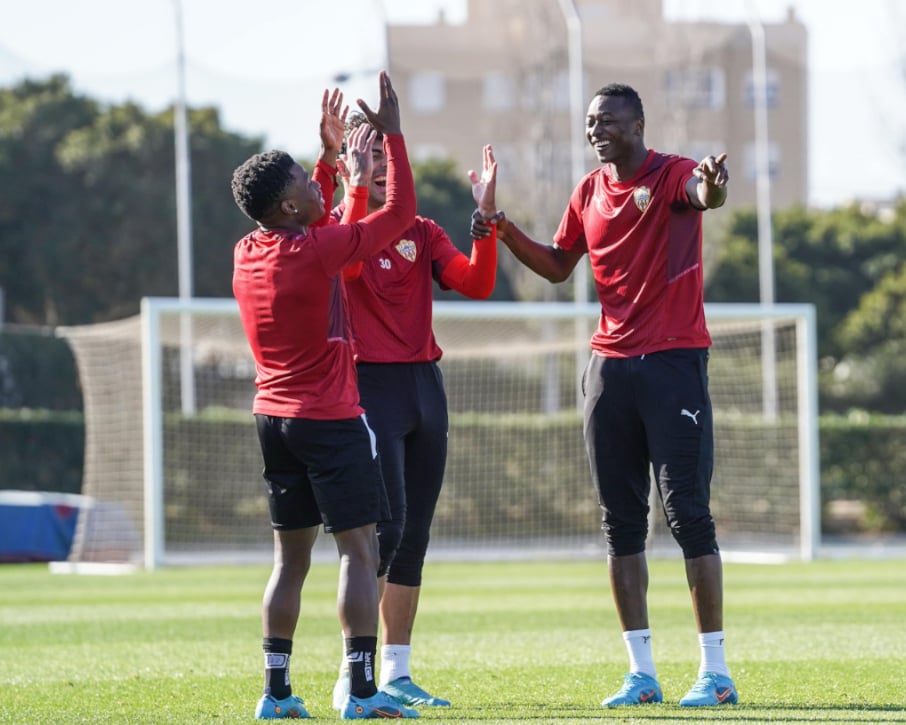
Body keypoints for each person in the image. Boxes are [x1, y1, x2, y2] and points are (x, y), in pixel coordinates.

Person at [470, 82, 737, 708]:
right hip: (609, 370)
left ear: (638, 123)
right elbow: (561, 264)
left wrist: (714, 185)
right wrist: (501, 227)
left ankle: (715, 673)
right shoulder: (588, 191)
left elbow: (705, 194)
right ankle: (641, 673)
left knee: (688, 515)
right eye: (591, 122)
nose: (597, 130)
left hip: (673, 363)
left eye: (609, 120)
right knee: (620, 525)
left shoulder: (672, 175)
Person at [230, 71, 423, 720]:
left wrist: (333, 161)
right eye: (307, 185)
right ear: (287, 208)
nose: (320, 186)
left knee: (290, 562)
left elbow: (323, 226)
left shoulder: (248, 250)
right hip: (329, 419)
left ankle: (276, 693)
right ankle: (364, 692)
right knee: (360, 552)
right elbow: (392, 217)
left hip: (273, 419)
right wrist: (390, 142)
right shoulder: (314, 251)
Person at [327, 114, 499, 711]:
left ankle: (397, 673)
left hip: (425, 387)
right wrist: (347, 183)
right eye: (366, 155)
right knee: (385, 530)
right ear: (354, 163)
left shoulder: (422, 232)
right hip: (369, 388)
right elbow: (347, 266)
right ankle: (356, 673)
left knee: (415, 536)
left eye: (386, 155)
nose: (378, 166)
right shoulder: (341, 230)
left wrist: (485, 223)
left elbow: (477, 283)